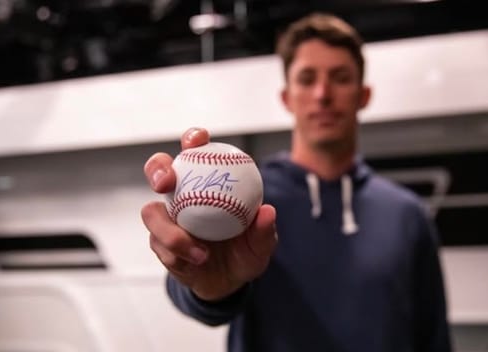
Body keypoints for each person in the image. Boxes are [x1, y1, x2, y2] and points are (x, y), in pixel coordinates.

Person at [141, 12, 452, 352]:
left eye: (340, 77)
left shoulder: (406, 214)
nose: (322, 94)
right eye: (306, 79)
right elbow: (191, 293)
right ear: (287, 97)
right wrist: (206, 284)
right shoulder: (248, 202)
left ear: (363, 96)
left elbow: (433, 333)